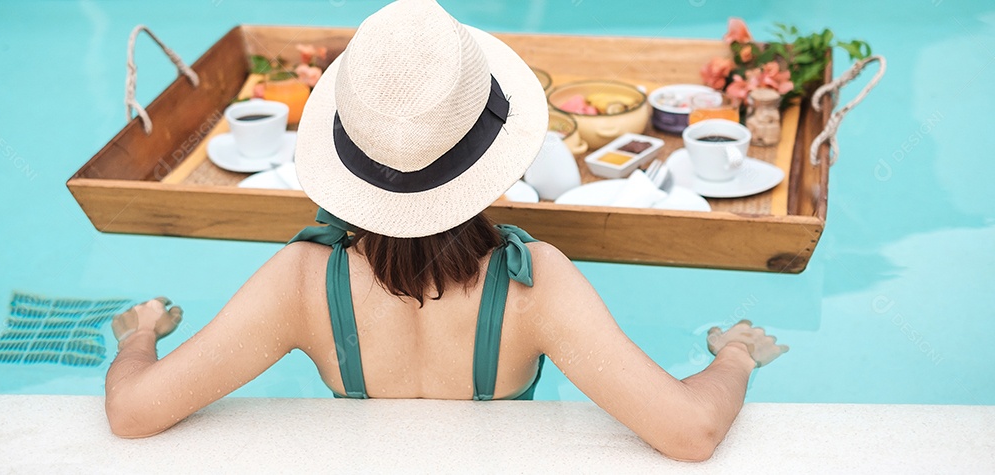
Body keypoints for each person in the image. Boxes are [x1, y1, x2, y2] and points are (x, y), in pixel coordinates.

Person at [104, 0, 787, 462]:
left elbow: (133, 409)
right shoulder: (538, 284)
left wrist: (141, 333)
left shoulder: (300, 284)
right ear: (493, 164)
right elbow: (692, 430)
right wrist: (733, 357)